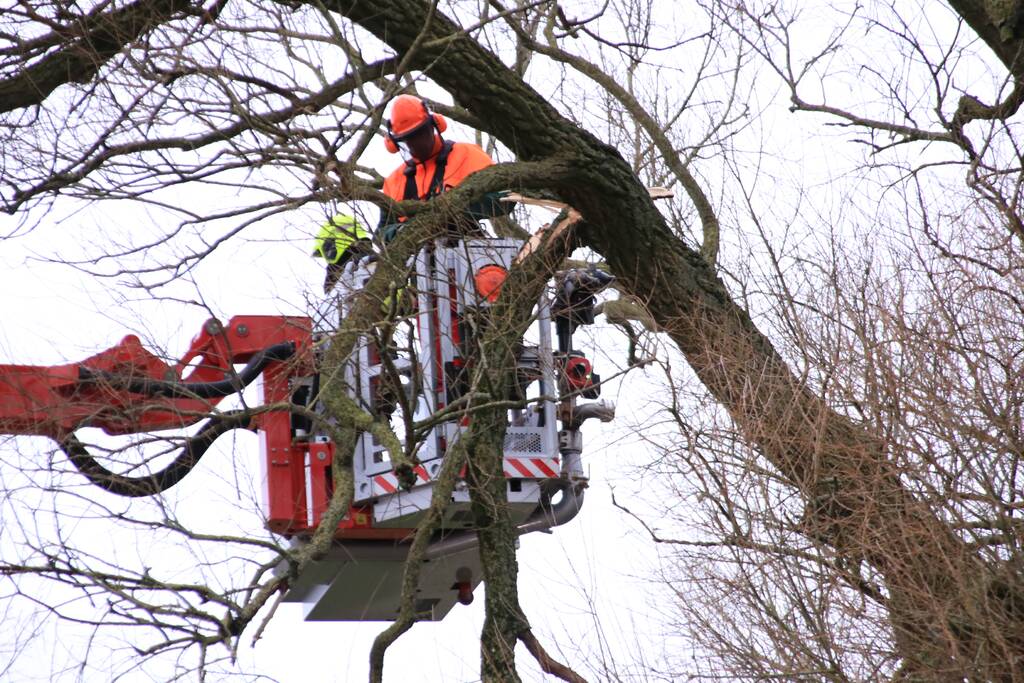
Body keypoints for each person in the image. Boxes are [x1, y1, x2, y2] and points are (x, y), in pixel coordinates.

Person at [378, 93, 511, 241]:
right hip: (413, 258)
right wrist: (401, 232)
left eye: (420, 134)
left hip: (465, 249)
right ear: (396, 143)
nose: (417, 143)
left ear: (434, 125)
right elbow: (382, 230)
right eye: (409, 139)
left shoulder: (467, 155)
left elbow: (505, 197)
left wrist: (456, 212)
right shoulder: (394, 182)